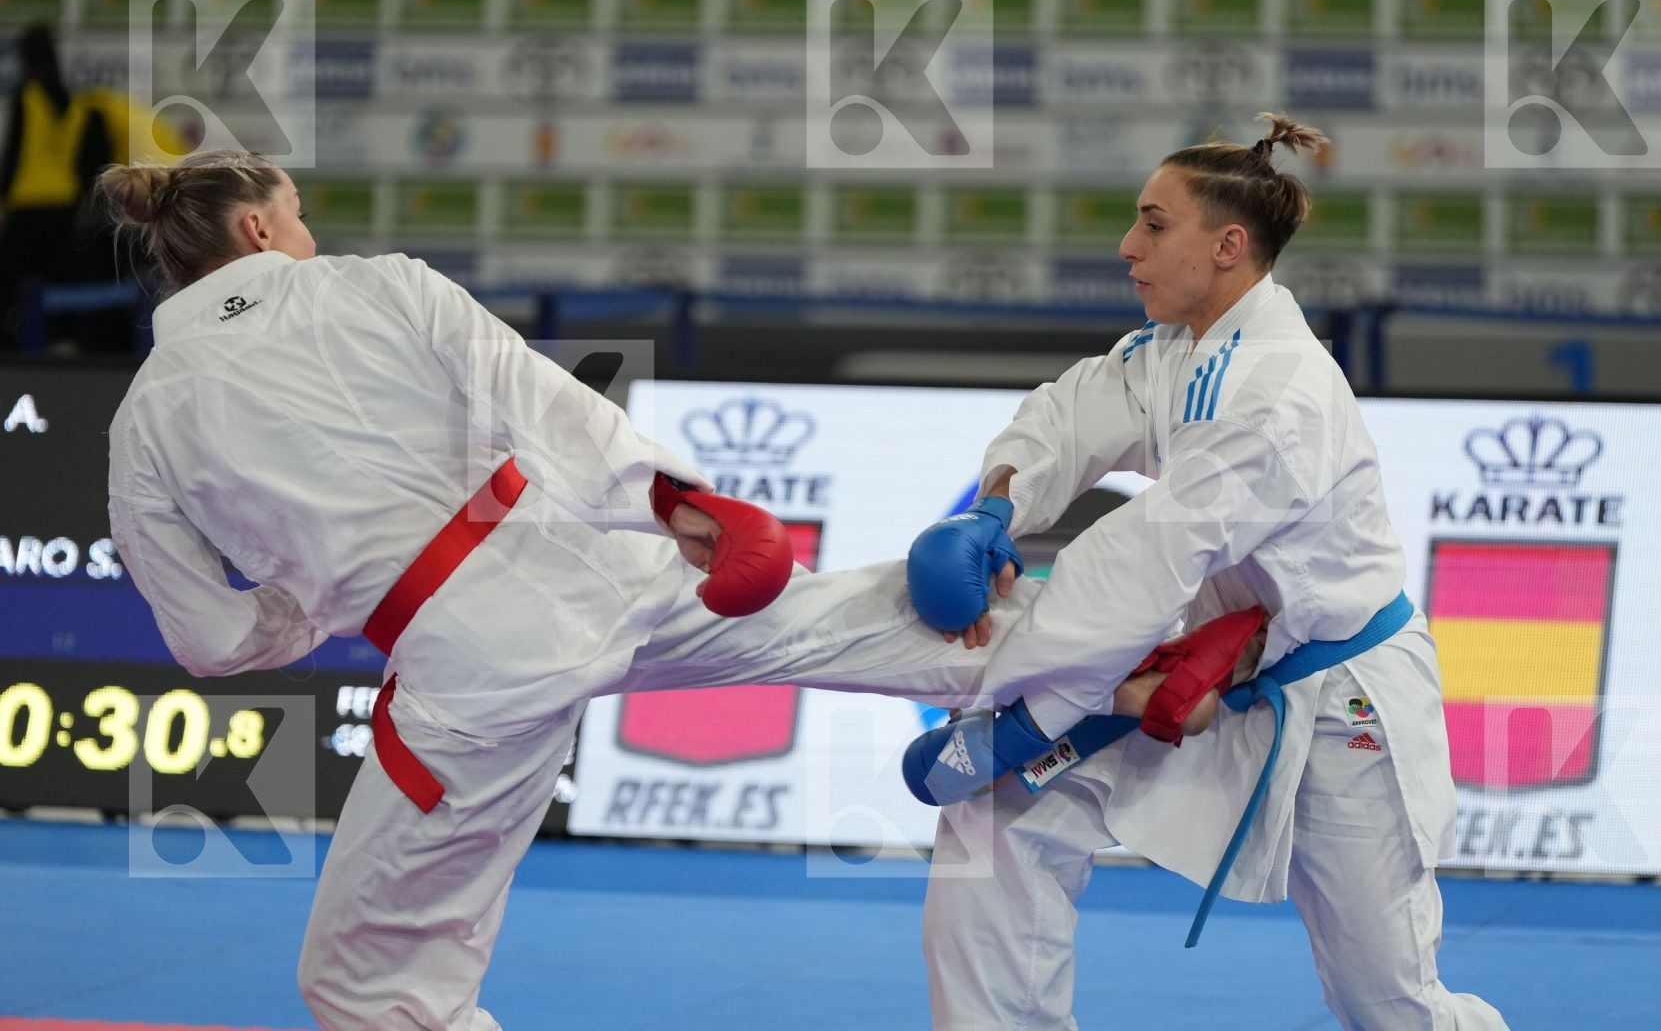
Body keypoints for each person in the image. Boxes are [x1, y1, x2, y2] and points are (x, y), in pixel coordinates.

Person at [98, 149, 1233, 1031]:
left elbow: (205, 638)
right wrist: (682, 506)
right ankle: (1129, 659)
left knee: (362, 982)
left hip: (466, 668)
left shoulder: (145, 419)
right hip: (591, 563)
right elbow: (537, 402)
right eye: (293, 213)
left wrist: (305, 603)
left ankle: (1116, 672)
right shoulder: (374, 285)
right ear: (257, 228)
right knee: (836, 621)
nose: (305, 230)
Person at [903, 115, 1508, 1029]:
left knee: (1387, 1001)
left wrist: (1025, 712)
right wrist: (995, 507)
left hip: (1340, 704)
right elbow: (1070, 416)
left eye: (1153, 224)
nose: (1127, 246)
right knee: (1002, 822)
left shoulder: (1277, 389)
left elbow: (1148, 558)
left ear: (1227, 246)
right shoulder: (1175, 350)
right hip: (1216, 679)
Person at [0, 24, 113, 348]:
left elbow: (14, 154)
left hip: (27, 208)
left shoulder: (28, 96)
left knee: (14, 286)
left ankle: (15, 349)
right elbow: (91, 165)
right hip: (64, 210)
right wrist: (82, 206)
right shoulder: (80, 105)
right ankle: (63, 343)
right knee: (59, 284)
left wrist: (3, 201)